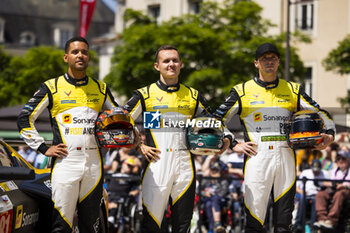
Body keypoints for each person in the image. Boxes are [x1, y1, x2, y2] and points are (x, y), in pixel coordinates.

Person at [214, 42, 336, 232]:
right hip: (257, 158)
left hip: (286, 157)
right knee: (254, 222)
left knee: (283, 222)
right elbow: (216, 119)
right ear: (256, 63)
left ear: (278, 62)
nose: (269, 62)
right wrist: (233, 143)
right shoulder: (241, 91)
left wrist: (329, 134)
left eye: (273, 58)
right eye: (264, 58)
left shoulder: (294, 90)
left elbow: (321, 112)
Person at [124, 45, 232, 233]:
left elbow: (214, 120)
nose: (171, 64)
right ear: (157, 66)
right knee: (152, 225)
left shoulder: (193, 95)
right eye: (166, 61)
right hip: (157, 164)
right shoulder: (144, 94)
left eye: (175, 60)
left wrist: (229, 139)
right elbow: (122, 119)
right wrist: (139, 145)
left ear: (181, 64)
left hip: (185, 166)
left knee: (183, 226)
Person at [17, 36, 119, 233]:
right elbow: (24, 118)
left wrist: (125, 137)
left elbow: (121, 119)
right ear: (66, 57)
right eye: (75, 52)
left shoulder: (101, 88)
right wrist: (43, 147)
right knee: (61, 226)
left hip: (93, 165)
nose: (80, 55)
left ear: (89, 57)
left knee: (91, 226)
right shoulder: (51, 87)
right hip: (66, 163)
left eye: (84, 52)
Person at [314, 150, 350, 229]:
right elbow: (324, 182)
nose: (340, 161)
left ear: (347, 160)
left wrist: (344, 186)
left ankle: (331, 220)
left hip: (346, 191)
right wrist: (330, 184)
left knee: (339, 193)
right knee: (320, 194)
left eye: (343, 158)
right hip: (334, 190)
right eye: (338, 159)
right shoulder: (333, 171)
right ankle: (322, 219)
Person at [293, 159, 327, 231]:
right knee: (303, 198)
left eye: (317, 170)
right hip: (304, 194)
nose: (315, 171)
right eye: (314, 169)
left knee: (316, 200)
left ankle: (313, 225)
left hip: (316, 195)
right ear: (311, 167)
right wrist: (303, 192)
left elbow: (325, 187)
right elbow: (296, 187)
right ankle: (298, 223)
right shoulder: (305, 173)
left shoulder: (323, 174)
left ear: (320, 168)